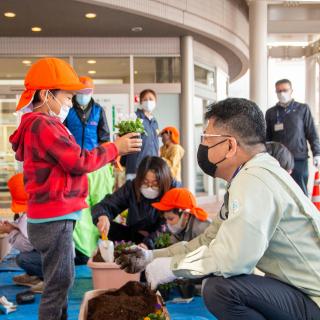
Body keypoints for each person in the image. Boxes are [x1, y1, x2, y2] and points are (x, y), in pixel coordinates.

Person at [116, 98, 320, 320]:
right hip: (300, 291)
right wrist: (152, 256)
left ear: (230, 146)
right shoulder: (251, 175)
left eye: (206, 138)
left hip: (313, 299)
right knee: (219, 284)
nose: (202, 145)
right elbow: (208, 241)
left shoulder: (254, 181)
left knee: (219, 289)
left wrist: (170, 268)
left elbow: (234, 259)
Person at [9, 57, 142, 320]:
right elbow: (79, 160)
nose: (70, 103)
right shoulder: (43, 124)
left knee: (60, 281)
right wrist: (116, 148)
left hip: (48, 216)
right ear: (47, 95)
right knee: (58, 285)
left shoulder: (38, 125)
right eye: (67, 97)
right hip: (54, 217)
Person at [64, 76, 115, 263]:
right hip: (76, 166)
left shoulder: (98, 111)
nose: (84, 95)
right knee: (80, 209)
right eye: (80, 92)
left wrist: (107, 157)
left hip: (98, 167)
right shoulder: (67, 111)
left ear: (92, 92)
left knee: (100, 205)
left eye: (87, 92)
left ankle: (100, 247)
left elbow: (105, 137)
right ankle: (83, 250)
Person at [92, 156, 180, 249]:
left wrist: (148, 243)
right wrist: (102, 216)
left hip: (163, 241)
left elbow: (171, 225)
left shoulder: (174, 191)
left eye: (155, 184)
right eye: (145, 182)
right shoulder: (132, 188)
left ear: (164, 181)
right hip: (136, 236)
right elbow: (107, 204)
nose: (149, 187)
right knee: (110, 228)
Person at [265, 79, 320, 195]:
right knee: (280, 192)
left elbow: (312, 133)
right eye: (279, 91)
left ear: (291, 91)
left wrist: (317, 153)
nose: (282, 93)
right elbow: (267, 138)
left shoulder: (302, 109)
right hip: (278, 160)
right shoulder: (271, 113)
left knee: (301, 191)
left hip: (299, 158)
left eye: (285, 90)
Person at [1, 173, 43, 293]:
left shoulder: (29, 215)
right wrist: (14, 226)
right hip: (63, 255)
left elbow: (26, 245)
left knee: (22, 258)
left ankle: (47, 279)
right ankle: (37, 275)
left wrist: (10, 231)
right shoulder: (39, 207)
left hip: (56, 259)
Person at [122, 89, 159, 180]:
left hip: (152, 167)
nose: (148, 102)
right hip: (136, 168)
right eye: (145, 99)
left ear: (155, 102)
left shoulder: (154, 121)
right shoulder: (134, 118)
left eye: (151, 99)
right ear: (140, 102)